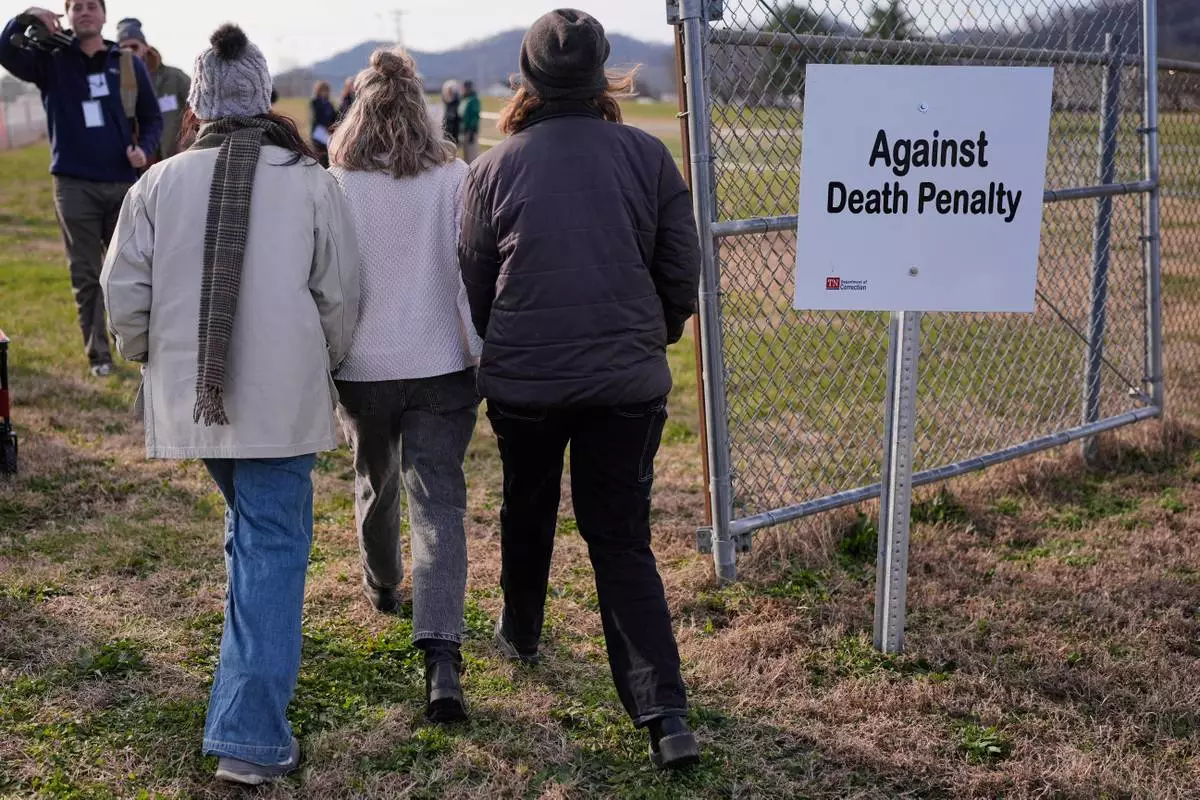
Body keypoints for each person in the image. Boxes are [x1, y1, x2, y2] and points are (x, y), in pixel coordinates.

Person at [100, 24, 360, 786]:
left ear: (198, 106)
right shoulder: (309, 180)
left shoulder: (158, 184)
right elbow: (339, 294)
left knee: (254, 536)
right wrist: (328, 361)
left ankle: (245, 689)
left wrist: (152, 358)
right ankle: (249, 737)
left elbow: (123, 295)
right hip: (282, 403)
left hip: (197, 399)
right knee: (271, 546)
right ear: (264, 97)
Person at [459, 8, 701, 770]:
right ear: (603, 76)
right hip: (625, 386)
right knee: (621, 538)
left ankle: (521, 628)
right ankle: (664, 713)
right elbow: (680, 270)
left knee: (526, 507)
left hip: (525, 384)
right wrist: (651, 332)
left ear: (527, 79)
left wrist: (512, 338)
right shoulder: (648, 156)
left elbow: (475, 280)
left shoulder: (493, 168)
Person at [327, 46, 481, 725]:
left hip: (362, 366)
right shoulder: (454, 177)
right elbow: (472, 272)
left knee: (376, 478)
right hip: (443, 362)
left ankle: (384, 581)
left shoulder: (335, 184)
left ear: (357, 112)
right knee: (439, 502)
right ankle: (442, 654)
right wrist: (480, 351)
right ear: (423, 112)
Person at [0, 1, 162, 377]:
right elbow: (5, 50)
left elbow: (152, 116)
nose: (85, 12)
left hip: (122, 182)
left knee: (130, 267)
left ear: (104, 15)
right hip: (73, 184)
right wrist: (26, 17)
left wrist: (144, 148)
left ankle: (136, 345)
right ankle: (99, 356)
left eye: (92, 6)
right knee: (86, 273)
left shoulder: (126, 62)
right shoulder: (51, 59)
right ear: (67, 15)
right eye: (76, 7)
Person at [115, 17, 189, 161]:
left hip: (174, 160)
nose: (129, 52)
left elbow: (199, 109)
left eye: (134, 47)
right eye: (123, 49)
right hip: (136, 162)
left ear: (145, 47)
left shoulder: (175, 78)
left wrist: (187, 140)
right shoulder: (113, 84)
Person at [310, 80, 336, 167]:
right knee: (320, 154)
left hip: (328, 132)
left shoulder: (329, 103)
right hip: (319, 132)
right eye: (323, 90)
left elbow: (334, 116)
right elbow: (316, 117)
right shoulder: (314, 102)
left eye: (326, 90)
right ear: (318, 91)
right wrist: (325, 127)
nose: (325, 92)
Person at [458, 79, 480, 162]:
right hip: (463, 130)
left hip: (471, 132)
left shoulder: (473, 100)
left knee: (471, 155)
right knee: (465, 155)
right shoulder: (464, 99)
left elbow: (475, 116)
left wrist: (471, 131)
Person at [440, 79, 460, 143]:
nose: (449, 92)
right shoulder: (447, 102)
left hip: (454, 127)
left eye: (451, 91)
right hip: (447, 127)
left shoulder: (457, 102)